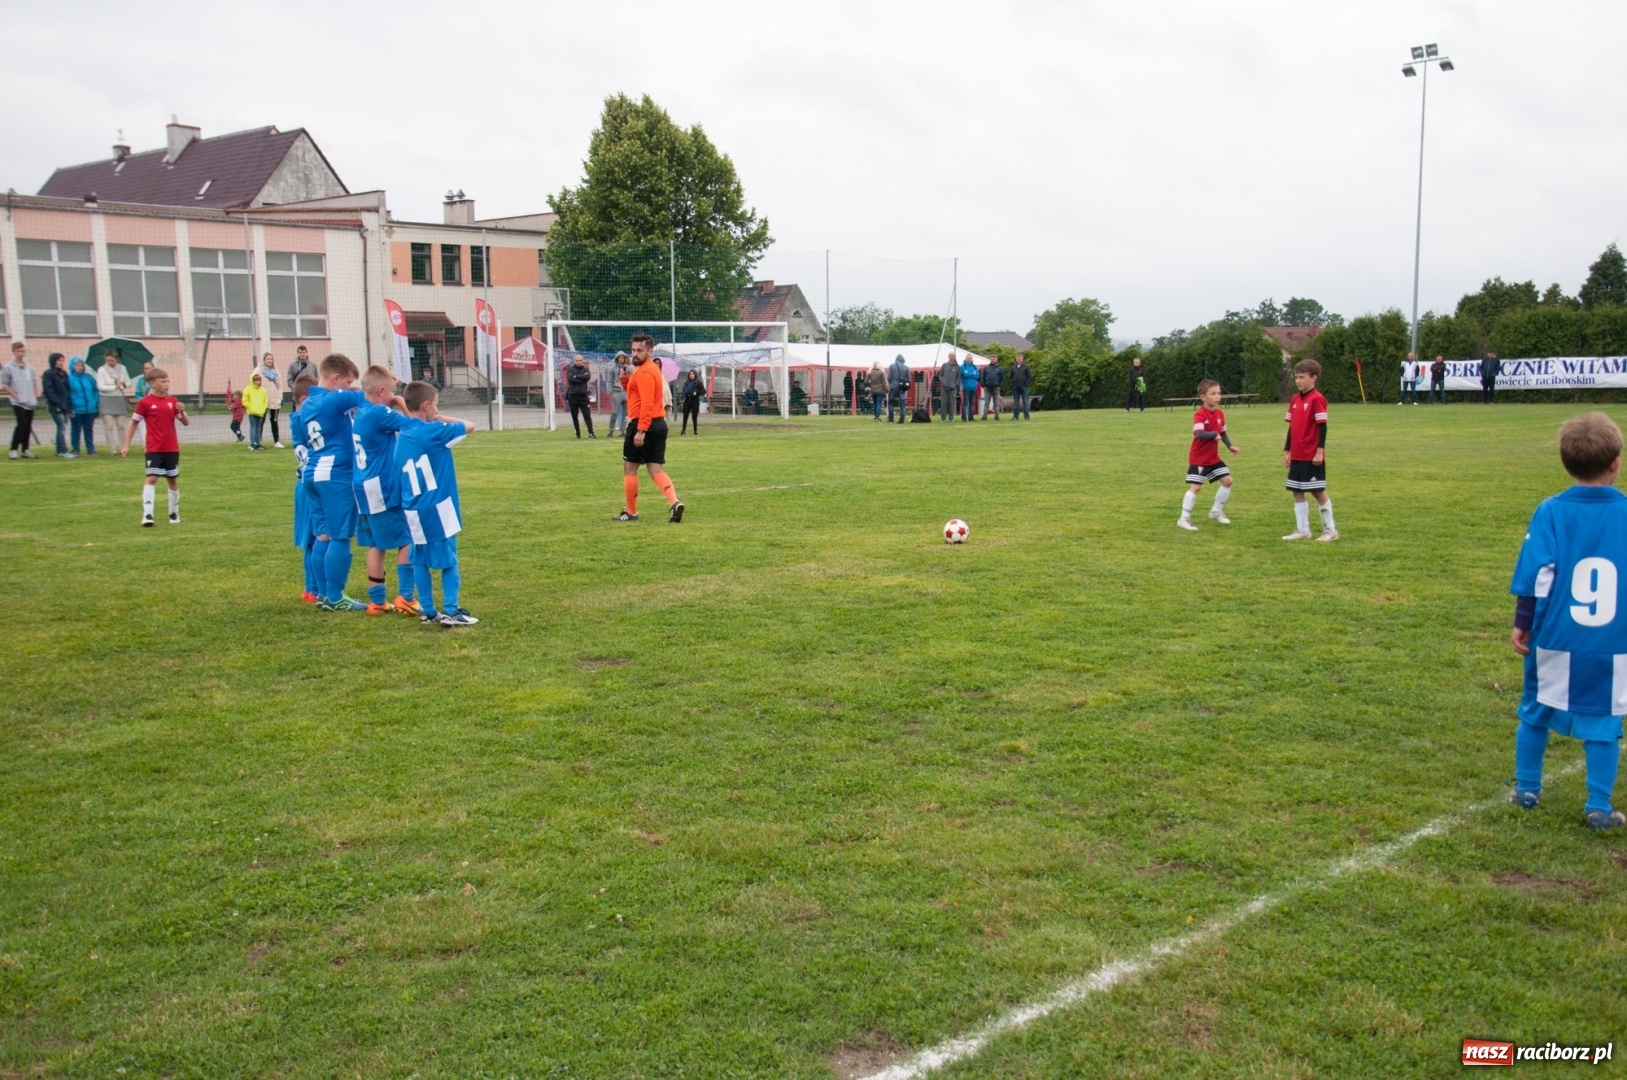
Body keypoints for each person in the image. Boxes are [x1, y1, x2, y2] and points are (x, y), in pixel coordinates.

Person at [1507, 412, 1627, 830]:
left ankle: (1526, 789)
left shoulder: (1551, 511)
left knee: (1535, 710)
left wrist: (1523, 621)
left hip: (1556, 636)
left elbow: (1537, 573)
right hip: (1613, 643)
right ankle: (1598, 807)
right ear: (1616, 462)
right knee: (1605, 721)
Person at [395, 379, 478, 626]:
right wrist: (440, 417)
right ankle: (451, 611)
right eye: (435, 405)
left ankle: (429, 611)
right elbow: (469, 426)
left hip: (413, 508)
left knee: (420, 559)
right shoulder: (434, 431)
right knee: (448, 561)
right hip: (438, 507)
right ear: (426, 405)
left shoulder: (403, 435)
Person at [303, 353, 370, 611]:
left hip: (312, 473)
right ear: (336, 378)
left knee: (323, 535)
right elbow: (374, 393)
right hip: (336, 476)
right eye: (348, 382)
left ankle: (321, 594)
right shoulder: (334, 399)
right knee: (341, 536)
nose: (351, 387)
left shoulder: (309, 401)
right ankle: (334, 596)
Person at [351, 364, 419, 617]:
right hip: (381, 487)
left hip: (363, 485)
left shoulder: (363, 410)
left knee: (376, 544)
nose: (393, 394)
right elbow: (415, 425)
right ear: (381, 391)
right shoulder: (380, 413)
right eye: (391, 391)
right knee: (408, 538)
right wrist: (401, 402)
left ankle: (377, 601)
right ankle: (406, 597)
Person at [616, 332, 683, 523]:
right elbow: (637, 395)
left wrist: (641, 430)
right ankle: (674, 502)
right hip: (659, 424)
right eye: (633, 350)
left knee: (629, 468)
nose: (635, 354)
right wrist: (625, 381)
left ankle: (631, 511)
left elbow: (646, 403)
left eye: (640, 350)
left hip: (644, 423)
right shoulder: (648, 369)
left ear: (650, 351)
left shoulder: (645, 371)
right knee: (655, 469)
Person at [119, 367, 189, 525]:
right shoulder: (144, 403)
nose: (167, 384)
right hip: (153, 448)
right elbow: (133, 424)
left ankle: (173, 513)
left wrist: (183, 412)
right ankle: (148, 515)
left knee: (172, 479)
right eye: (163, 381)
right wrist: (126, 445)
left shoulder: (172, 401)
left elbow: (185, 423)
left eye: (168, 381)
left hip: (171, 448)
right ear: (152, 383)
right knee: (151, 478)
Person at [1282, 359, 1337, 542]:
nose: (1298, 380)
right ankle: (1303, 530)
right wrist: (1286, 450)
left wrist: (1319, 451)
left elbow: (1323, 426)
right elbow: (1292, 427)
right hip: (1297, 454)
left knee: (1316, 491)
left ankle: (1330, 530)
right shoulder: (1295, 399)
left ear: (1313, 378)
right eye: (1296, 377)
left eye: (1302, 377)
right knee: (1297, 491)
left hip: (1311, 454)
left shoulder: (1317, 399)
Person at [1176, 380, 1240, 530]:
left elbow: (1222, 433)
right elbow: (1198, 434)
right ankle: (1183, 519)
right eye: (1213, 394)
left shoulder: (1220, 414)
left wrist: (1230, 446)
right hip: (1199, 458)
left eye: (1219, 393)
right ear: (1203, 397)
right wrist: (1212, 434)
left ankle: (1216, 511)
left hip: (1213, 458)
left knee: (1228, 481)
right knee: (1196, 487)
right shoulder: (1200, 414)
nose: (1217, 396)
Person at [289, 375, 323, 603]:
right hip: (310, 484)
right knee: (315, 538)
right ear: (304, 399)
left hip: (306, 483)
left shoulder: (299, 420)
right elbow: (304, 452)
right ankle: (313, 588)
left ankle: (312, 588)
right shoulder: (303, 420)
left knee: (313, 540)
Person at [3, 341, 39, 459]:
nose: (20, 353)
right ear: (13, 352)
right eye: (18, 351)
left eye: (22, 351)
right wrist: (16, 396)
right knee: (22, 424)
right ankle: (13, 449)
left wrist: (34, 396)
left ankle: (25, 449)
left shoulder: (30, 369)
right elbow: (5, 385)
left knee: (28, 425)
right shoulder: (8, 368)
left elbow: (34, 384)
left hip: (29, 401)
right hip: (18, 402)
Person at [42, 352, 75, 458]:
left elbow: (67, 390)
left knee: (63, 427)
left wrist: (68, 406)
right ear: (53, 361)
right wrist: (58, 402)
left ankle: (60, 449)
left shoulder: (63, 374)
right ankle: (62, 450)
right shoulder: (48, 374)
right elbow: (49, 391)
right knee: (61, 426)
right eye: (59, 360)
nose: (61, 363)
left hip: (65, 405)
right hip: (56, 406)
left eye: (62, 360)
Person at [96, 352, 131, 451]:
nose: (110, 362)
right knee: (109, 425)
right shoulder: (101, 370)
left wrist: (123, 384)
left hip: (119, 398)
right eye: (108, 360)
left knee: (121, 425)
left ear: (116, 359)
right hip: (106, 398)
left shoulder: (122, 368)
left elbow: (128, 383)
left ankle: (123, 447)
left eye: (112, 360)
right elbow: (100, 386)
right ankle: (112, 449)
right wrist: (114, 385)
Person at [68, 356, 98, 455]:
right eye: (77, 365)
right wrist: (70, 406)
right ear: (72, 366)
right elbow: (67, 393)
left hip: (90, 409)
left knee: (89, 429)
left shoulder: (89, 377)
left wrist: (94, 401)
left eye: (81, 365)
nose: (80, 367)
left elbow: (95, 390)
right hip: (76, 409)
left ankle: (90, 448)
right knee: (76, 429)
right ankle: (76, 449)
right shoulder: (69, 378)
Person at [564, 353, 596, 439]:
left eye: (580, 360)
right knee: (574, 416)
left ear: (582, 361)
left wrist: (577, 377)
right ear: (574, 361)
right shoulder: (570, 370)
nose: (579, 362)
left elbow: (587, 377)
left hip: (583, 396)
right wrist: (581, 379)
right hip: (573, 396)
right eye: (577, 361)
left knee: (587, 415)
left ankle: (591, 433)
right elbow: (570, 379)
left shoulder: (586, 369)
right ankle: (578, 433)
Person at [258, 352, 285, 447]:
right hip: (262, 399)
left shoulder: (275, 372)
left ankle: (276, 441)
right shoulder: (259, 371)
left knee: (274, 420)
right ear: (264, 360)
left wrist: (280, 396)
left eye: (271, 359)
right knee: (261, 420)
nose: (270, 361)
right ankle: (257, 441)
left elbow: (280, 385)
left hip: (274, 398)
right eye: (268, 359)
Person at [242, 371, 270, 450]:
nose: (258, 382)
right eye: (256, 380)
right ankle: (252, 443)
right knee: (253, 428)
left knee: (258, 428)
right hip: (252, 412)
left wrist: (263, 408)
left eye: (259, 380)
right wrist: (250, 407)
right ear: (252, 381)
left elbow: (265, 401)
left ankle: (258, 443)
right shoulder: (248, 389)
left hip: (260, 412)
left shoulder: (263, 390)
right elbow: (245, 400)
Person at [607, 352, 630, 435]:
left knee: (625, 413)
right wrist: (611, 392)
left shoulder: (628, 368)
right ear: (617, 358)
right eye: (620, 357)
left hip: (626, 392)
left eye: (623, 357)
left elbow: (633, 378)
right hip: (616, 393)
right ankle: (611, 430)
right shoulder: (612, 369)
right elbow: (609, 382)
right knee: (614, 412)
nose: (621, 359)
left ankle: (623, 430)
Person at [886, 353, 909, 424]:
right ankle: (902, 419)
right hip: (902, 387)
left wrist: (891, 382)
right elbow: (909, 379)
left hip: (893, 386)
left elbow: (889, 377)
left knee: (891, 402)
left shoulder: (892, 366)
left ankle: (891, 419)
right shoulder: (906, 367)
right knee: (902, 403)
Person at [680, 370, 705, 434]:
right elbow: (684, 391)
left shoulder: (698, 383)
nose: (691, 375)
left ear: (695, 375)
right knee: (685, 415)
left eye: (693, 374)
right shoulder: (686, 383)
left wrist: (697, 392)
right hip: (687, 400)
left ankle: (695, 430)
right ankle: (683, 430)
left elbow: (703, 391)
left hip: (695, 400)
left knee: (694, 416)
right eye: (690, 374)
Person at [1010, 353, 1033, 420]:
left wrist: (1026, 385)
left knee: (1025, 402)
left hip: (1024, 388)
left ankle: (1026, 416)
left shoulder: (1026, 367)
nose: (1019, 360)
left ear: (1022, 359)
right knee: (1016, 403)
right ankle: (1015, 417)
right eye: (1018, 359)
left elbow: (1029, 377)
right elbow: (1010, 377)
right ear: (1016, 359)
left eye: (1020, 359)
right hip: (1015, 388)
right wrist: (1012, 385)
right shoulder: (1013, 367)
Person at [938, 352, 959, 422]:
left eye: (953, 355)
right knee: (943, 403)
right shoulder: (944, 365)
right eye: (950, 355)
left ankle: (951, 418)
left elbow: (958, 378)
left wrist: (954, 385)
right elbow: (940, 375)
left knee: (951, 403)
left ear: (955, 357)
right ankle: (943, 418)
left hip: (952, 389)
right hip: (944, 388)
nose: (951, 357)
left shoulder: (957, 367)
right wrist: (942, 381)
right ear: (948, 356)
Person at [959, 353, 980, 422]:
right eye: (968, 358)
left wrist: (970, 374)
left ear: (972, 359)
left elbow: (977, 376)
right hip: (966, 388)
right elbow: (965, 374)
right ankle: (964, 417)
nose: (969, 359)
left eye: (970, 358)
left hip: (973, 388)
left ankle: (971, 417)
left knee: (972, 403)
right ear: (966, 358)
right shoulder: (962, 366)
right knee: (965, 403)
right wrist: (972, 374)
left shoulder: (975, 367)